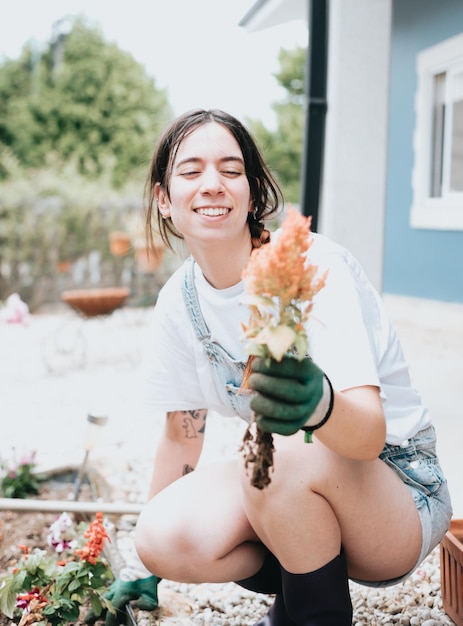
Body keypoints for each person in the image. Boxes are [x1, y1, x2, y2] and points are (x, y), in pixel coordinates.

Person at [120, 109, 451, 626]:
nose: (212, 185)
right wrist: (151, 571)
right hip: (297, 484)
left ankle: (313, 615)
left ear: (252, 191)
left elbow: (368, 436)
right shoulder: (178, 303)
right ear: (164, 199)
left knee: (273, 451)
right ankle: (300, 593)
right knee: (162, 534)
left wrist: (318, 403)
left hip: (399, 491)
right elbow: (182, 437)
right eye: (190, 171)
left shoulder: (311, 268)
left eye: (231, 171)